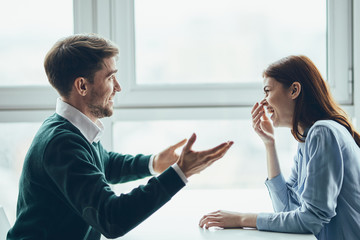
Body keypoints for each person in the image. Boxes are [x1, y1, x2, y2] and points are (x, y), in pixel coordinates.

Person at [7, 33, 233, 240]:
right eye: (110, 78)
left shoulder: (71, 129)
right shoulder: (61, 144)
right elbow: (111, 218)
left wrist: (154, 163)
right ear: (82, 86)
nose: (118, 87)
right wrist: (179, 173)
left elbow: (104, 163)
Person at [199, 55, 360, 240]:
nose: (263, 101)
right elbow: (286, 209)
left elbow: (310, 221)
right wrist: (270, 145)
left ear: (294, 90)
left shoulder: (322, 132)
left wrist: (241, 218)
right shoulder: (306, 139)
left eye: (267, 91)